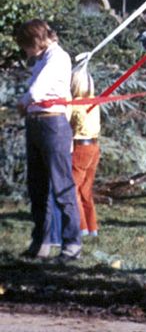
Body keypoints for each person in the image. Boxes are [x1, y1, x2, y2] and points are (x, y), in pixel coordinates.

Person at [15, 19, 81, 262]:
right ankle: (41, 242)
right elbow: (33, 87)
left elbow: (38, 89)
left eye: (26, 46)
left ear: (36, 40)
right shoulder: (42, 59)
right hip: (36, 124)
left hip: (52, 125)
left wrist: (24, 102)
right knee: (37, 187)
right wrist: (25, 102)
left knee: (62, 186)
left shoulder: (58, 57)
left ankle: (71, 244)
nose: (26, 52)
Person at [69, 59, 101, 239]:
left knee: (72, 188)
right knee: (86, 189)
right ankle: (92, 227)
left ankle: (81, 227)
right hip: (95, 147)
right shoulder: (95, 102)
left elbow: (70, 123)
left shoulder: (74, 104)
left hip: (81, 148)